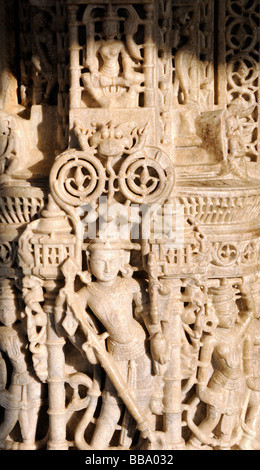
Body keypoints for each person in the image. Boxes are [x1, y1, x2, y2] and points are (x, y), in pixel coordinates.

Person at [75, 239, 153, 449]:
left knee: (144, 402)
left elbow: (147, 312)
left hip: (142, 347)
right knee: (112, 407)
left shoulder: (131, 284)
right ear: (89, 261)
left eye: (113, 260)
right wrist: (85, 345)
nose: (108, 267)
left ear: (123, 260)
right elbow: (70, 322)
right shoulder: (86, 293)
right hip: (114, 352)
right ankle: (96, 452)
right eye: (101, 261)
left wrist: (158, 337)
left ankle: (137, 447)